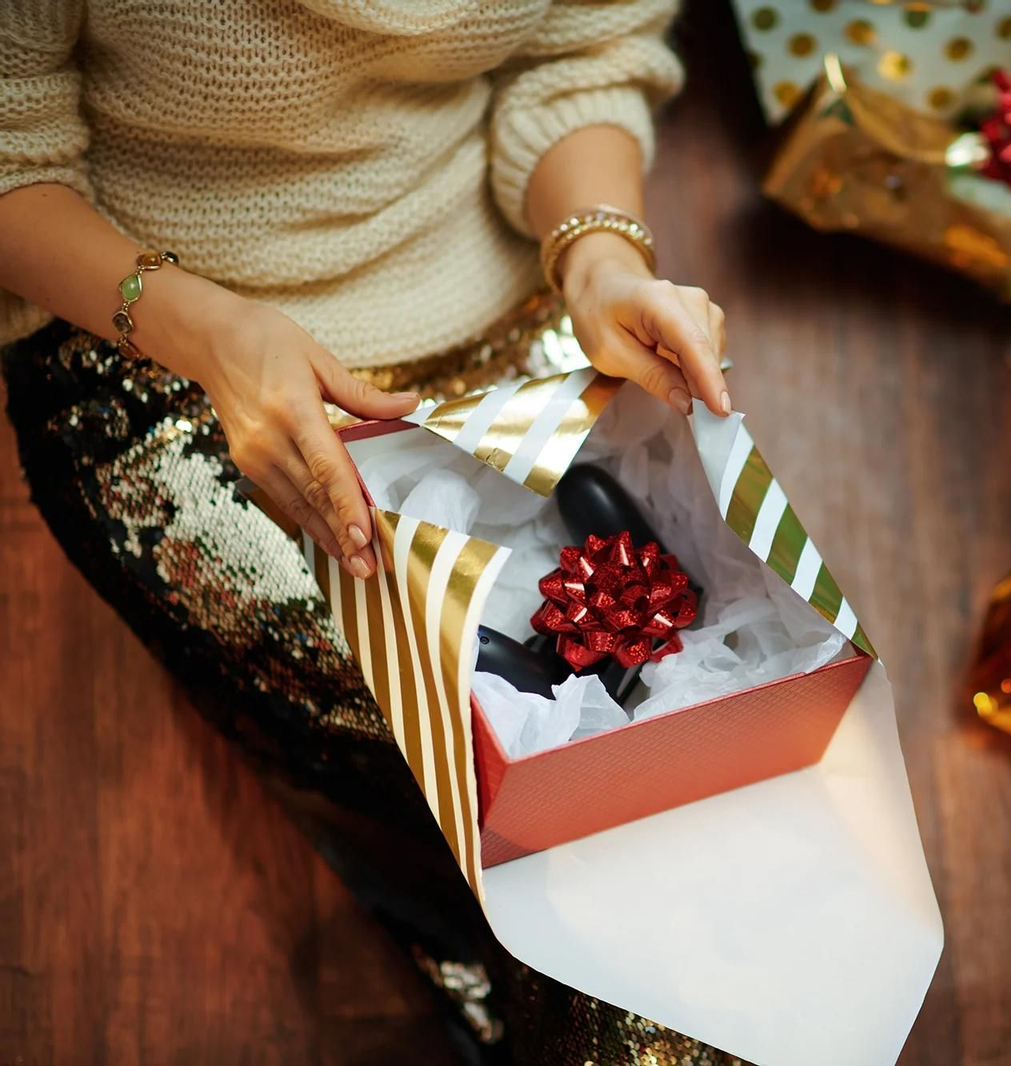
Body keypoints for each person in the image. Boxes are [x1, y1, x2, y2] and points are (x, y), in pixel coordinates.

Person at [0, 3, 734, 1062]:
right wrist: (212, 332)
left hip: (495, 282)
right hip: (164, 334)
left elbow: (584, 49)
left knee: (664, 749)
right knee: (467, 743)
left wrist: (597, 255)